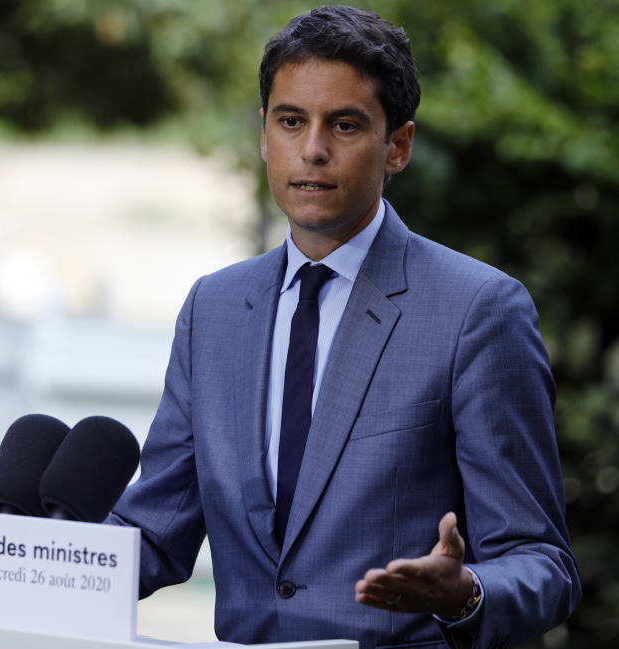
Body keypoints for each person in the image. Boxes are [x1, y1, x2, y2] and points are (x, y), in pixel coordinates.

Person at [108, 6, 580, 649]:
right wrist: (29, 557)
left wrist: (466, 591)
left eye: (345, 124)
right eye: (291, 120)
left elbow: (543, 565)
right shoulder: (213, 310)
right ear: (264, 133)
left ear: (399, 147)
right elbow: (157, 532)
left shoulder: (479, 311)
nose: (312, 150)